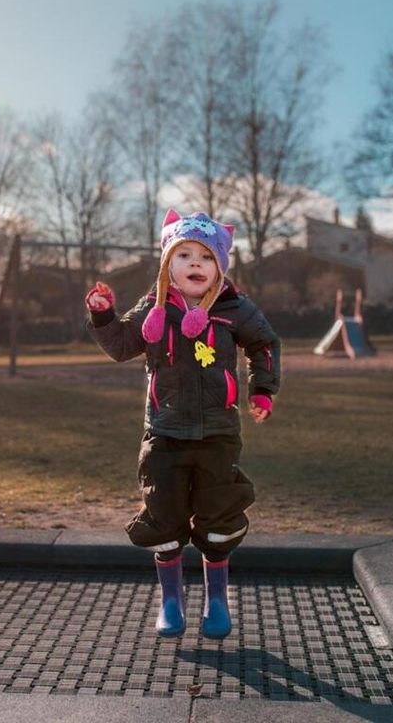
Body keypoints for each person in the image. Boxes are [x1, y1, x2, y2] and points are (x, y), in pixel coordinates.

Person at [85, 209, 281, 640]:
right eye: (185, 254)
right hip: (165, 433)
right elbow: (121, 345)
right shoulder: (153, 309)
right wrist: (103, 316)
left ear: (220, 267)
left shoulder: (234, 309)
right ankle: (171, 601)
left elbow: (265, 345)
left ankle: (216, 600)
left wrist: (263, 390)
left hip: (218, 434)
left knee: (218, 515)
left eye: (206, 257)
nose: (195, 264)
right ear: (168, 264)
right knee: (164, 515)